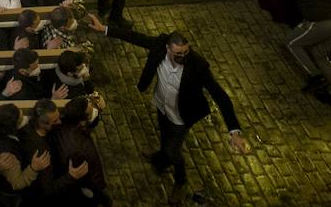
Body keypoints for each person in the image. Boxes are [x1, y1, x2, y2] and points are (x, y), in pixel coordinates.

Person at [85, 15, 246, 189]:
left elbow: (220, 95)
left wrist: (234, 131)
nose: (183, 56)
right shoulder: (159, 46)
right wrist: (105, 29)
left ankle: (180, 181)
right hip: (162, 105)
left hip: (182, 115)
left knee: (173, 151)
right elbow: (136, 38)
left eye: (186, 52)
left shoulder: (198, 65)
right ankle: (161, 159)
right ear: (168, 48)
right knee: (163, 134)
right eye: (178, 54)